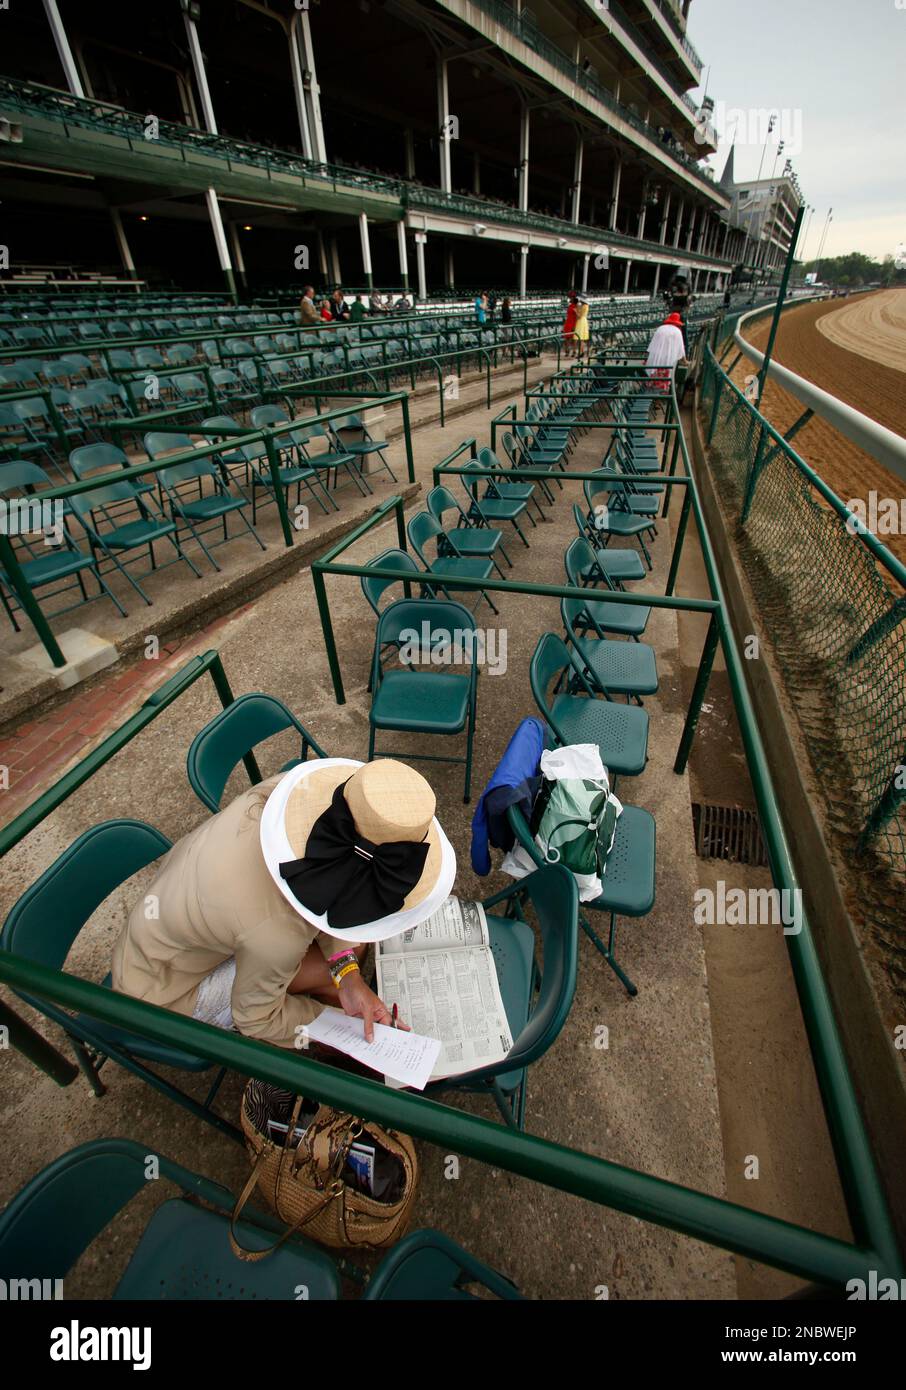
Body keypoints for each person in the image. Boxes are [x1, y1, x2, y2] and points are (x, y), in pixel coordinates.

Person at [112, 759, 455, 1048]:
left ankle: (352, 1012)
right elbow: (256, 1019)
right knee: (335, 980)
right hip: (159, 990)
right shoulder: (275, 934)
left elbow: (324, 881)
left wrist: (350, 979)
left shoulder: (291, 796)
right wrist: (337, 1030)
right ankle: (363, 1061)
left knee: (343, 963)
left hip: (177, 922)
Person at [644, 312, 687, 407]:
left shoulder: (660, 329)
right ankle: (658, 401)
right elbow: (681, 349)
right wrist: (684, 361)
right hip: (668, 360)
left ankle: (651, 398)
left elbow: (652, 345)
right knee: (664, 380)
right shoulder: (677, 332)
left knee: (653, 376)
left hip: (655, 358)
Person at [573, 296, 590, 360]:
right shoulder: (586, 306)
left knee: (580, 338)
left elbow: (579, 316)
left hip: (581, 322)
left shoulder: (584, 306)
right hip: (584, 321)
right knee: (581, 338)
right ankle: (581, 352)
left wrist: (576, 311)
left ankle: (581, 352)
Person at [562, 293, 578, 357]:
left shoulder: (576, 306)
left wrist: (574, 326)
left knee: (573, 339)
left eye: (571, 297)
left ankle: (574, 352)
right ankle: (567, 351)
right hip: (568, 323)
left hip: (572, 323)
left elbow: (577, 317)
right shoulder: (570, 306)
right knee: (567, 338)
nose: (570, 299)